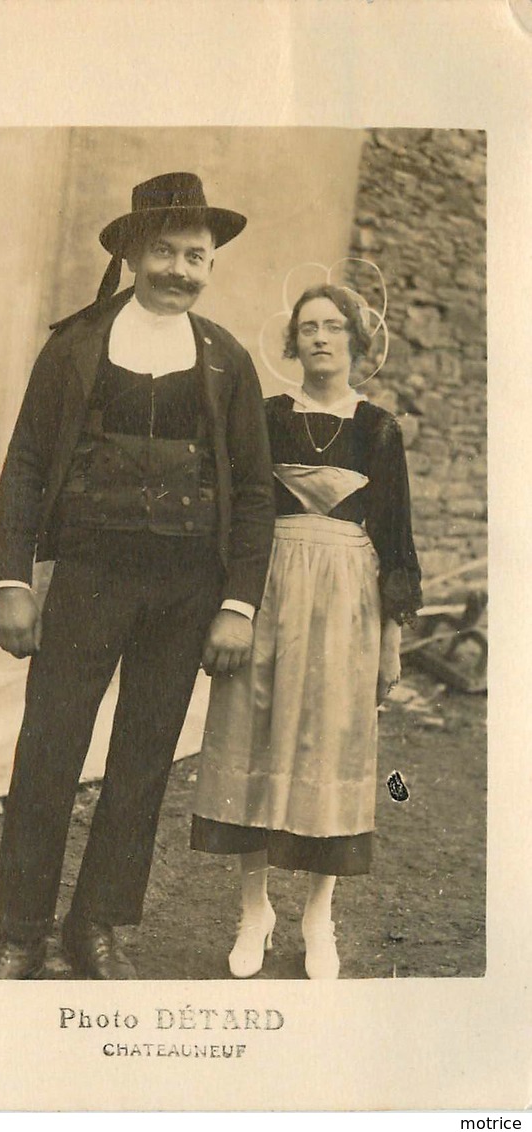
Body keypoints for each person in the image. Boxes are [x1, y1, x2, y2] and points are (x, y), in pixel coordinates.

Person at [0, 172, 275, 979]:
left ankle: (99, 927)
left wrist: (236, 603)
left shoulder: (226, 361)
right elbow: (25, 464)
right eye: (164, 252)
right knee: (48, 751)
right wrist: (11, 580)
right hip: (88, 577)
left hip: (186, 590)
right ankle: (17, 931)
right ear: (130, 253)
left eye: (197, 255)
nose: (180, 270)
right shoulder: (74, 346)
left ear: (211, 264)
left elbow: (253, 491)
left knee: (144, 760)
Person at [191, 282, 422, 979]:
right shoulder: (262, 417)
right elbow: (234, 512)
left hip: (348, 596)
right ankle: (252, 907)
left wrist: (391, 634)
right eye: (307, 328)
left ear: (355, 341)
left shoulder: (378, 428)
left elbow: (395, 534)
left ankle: (318, 913)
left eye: (333, 327)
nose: (320, 338)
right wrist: (229, 602)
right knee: (252, 732)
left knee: (331, 741)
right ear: (292, 342)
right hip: (268, 587)